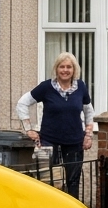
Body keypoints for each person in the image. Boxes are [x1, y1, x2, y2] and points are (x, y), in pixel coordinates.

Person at [17, 52, 94, 198]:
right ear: (56, 69)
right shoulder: (46, 87)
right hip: (46, 141)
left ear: (74, 70)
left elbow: (89, 110)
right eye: (61, 67)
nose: (65, 70)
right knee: (44, 182)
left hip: (74, 143)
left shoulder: (81, 87)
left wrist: (88, 134)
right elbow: (22, 103)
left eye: (69, 67)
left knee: (73, 182)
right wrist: (28, 129)